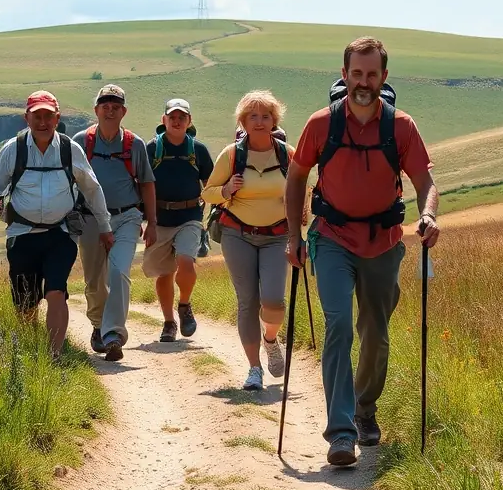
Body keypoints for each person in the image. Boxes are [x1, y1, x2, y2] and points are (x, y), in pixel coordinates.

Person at [285, 36, 440, 467]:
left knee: (375, 331)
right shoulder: (321, 124)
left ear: (384, 77)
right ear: (344, 74)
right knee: (339, 325)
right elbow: (296, 177)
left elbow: (426, 185)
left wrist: (428, 216)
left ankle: (364, 407)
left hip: (384, 242)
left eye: (372, 74)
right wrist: (294, 236)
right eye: (357, 73)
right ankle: (340, 432)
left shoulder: (401, 127)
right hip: (331, 237)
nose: (364, 82)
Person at [0, 90, 113, 359]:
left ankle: (53, 355)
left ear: (57, 118)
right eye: (37, 116)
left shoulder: (69, 150)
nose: (43, 122)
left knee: (56, 290)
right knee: (25, 300)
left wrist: (104, 226)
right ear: (26, 118)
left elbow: (92, 188)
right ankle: (32, 347)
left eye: (48, 116)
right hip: (22, 234)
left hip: (60, 233)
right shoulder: (13, 149)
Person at [201, 90, 293, 391]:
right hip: (237, 234)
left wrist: (300, 216)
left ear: (274, 121)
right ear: (242, 121)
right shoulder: (231, 155)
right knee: (247, 302)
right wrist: (226, 190)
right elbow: (208, 193)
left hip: (277, 237)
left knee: (274, 302)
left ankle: (270, 339)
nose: (259, 121)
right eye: (253, 116)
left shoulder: (287, 154)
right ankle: (254, 369)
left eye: (266, 116)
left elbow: (301, 188)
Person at [73, 84, 157, 362]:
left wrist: (153, 223)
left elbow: (146, 183)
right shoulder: (80, 142)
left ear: (124, 112)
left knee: (119, 271)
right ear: (96, 110)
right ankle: (98, 324)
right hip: (90, 219)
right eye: (105, 106)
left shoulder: (135, 145)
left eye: (115, 107)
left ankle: (113, 336)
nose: (110, 111)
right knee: (95, 281)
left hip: (127, 216)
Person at [143, 98, 214, 342]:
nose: (176, 121)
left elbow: (211, 185)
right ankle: (169, 322)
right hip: (160, 219)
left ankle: (184, 305)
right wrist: (145, 219)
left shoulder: (198, 151)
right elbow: (142, 184)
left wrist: (218, 211)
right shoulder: (151, 150)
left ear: (189, 121)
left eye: (181, 117)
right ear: (163, 120)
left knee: (186, 262)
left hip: (190, 216)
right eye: (172, 117)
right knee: (164, 273)